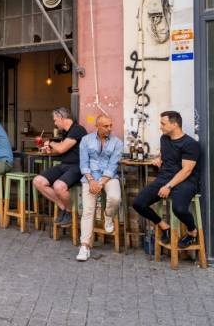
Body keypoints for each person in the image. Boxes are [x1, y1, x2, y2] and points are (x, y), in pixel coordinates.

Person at [133, 111, 201, 249]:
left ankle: (192, 231)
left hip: (185, 181)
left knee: (179, 209)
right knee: (138, 203)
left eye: (163, 124)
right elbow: (165, 152)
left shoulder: (190, 144)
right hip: (164, 177)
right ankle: (165, 227)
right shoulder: (164, 138)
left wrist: (168, 186)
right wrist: (159, 157)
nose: (160, 127)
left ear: (175, 124)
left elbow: (186, 170)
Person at [76, 114, 123, 261]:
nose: (109, 128)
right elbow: (84, 164)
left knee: (115, 198)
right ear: (97, 126)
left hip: (109, 177)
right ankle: (84, 246)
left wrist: (100, 183)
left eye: (110, 125)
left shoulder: (117, 143)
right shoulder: (86, 140)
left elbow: (113, 165)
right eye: (105, 126)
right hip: (90, 178)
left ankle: (108, 216)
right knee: (88, 211)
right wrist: (91, 181)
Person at [32, 107, 88, 226]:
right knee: (38, 181)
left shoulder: (77, 130)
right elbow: (62, 150)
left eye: (55, 120)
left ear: (62, 118)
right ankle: (64, 207)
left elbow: (62, 148)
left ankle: (70, 212)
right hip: (64, 165)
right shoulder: (66, 132)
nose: (55, 123)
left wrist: (50, 142)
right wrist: (49, 150)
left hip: (77, 166)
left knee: (58, 186)